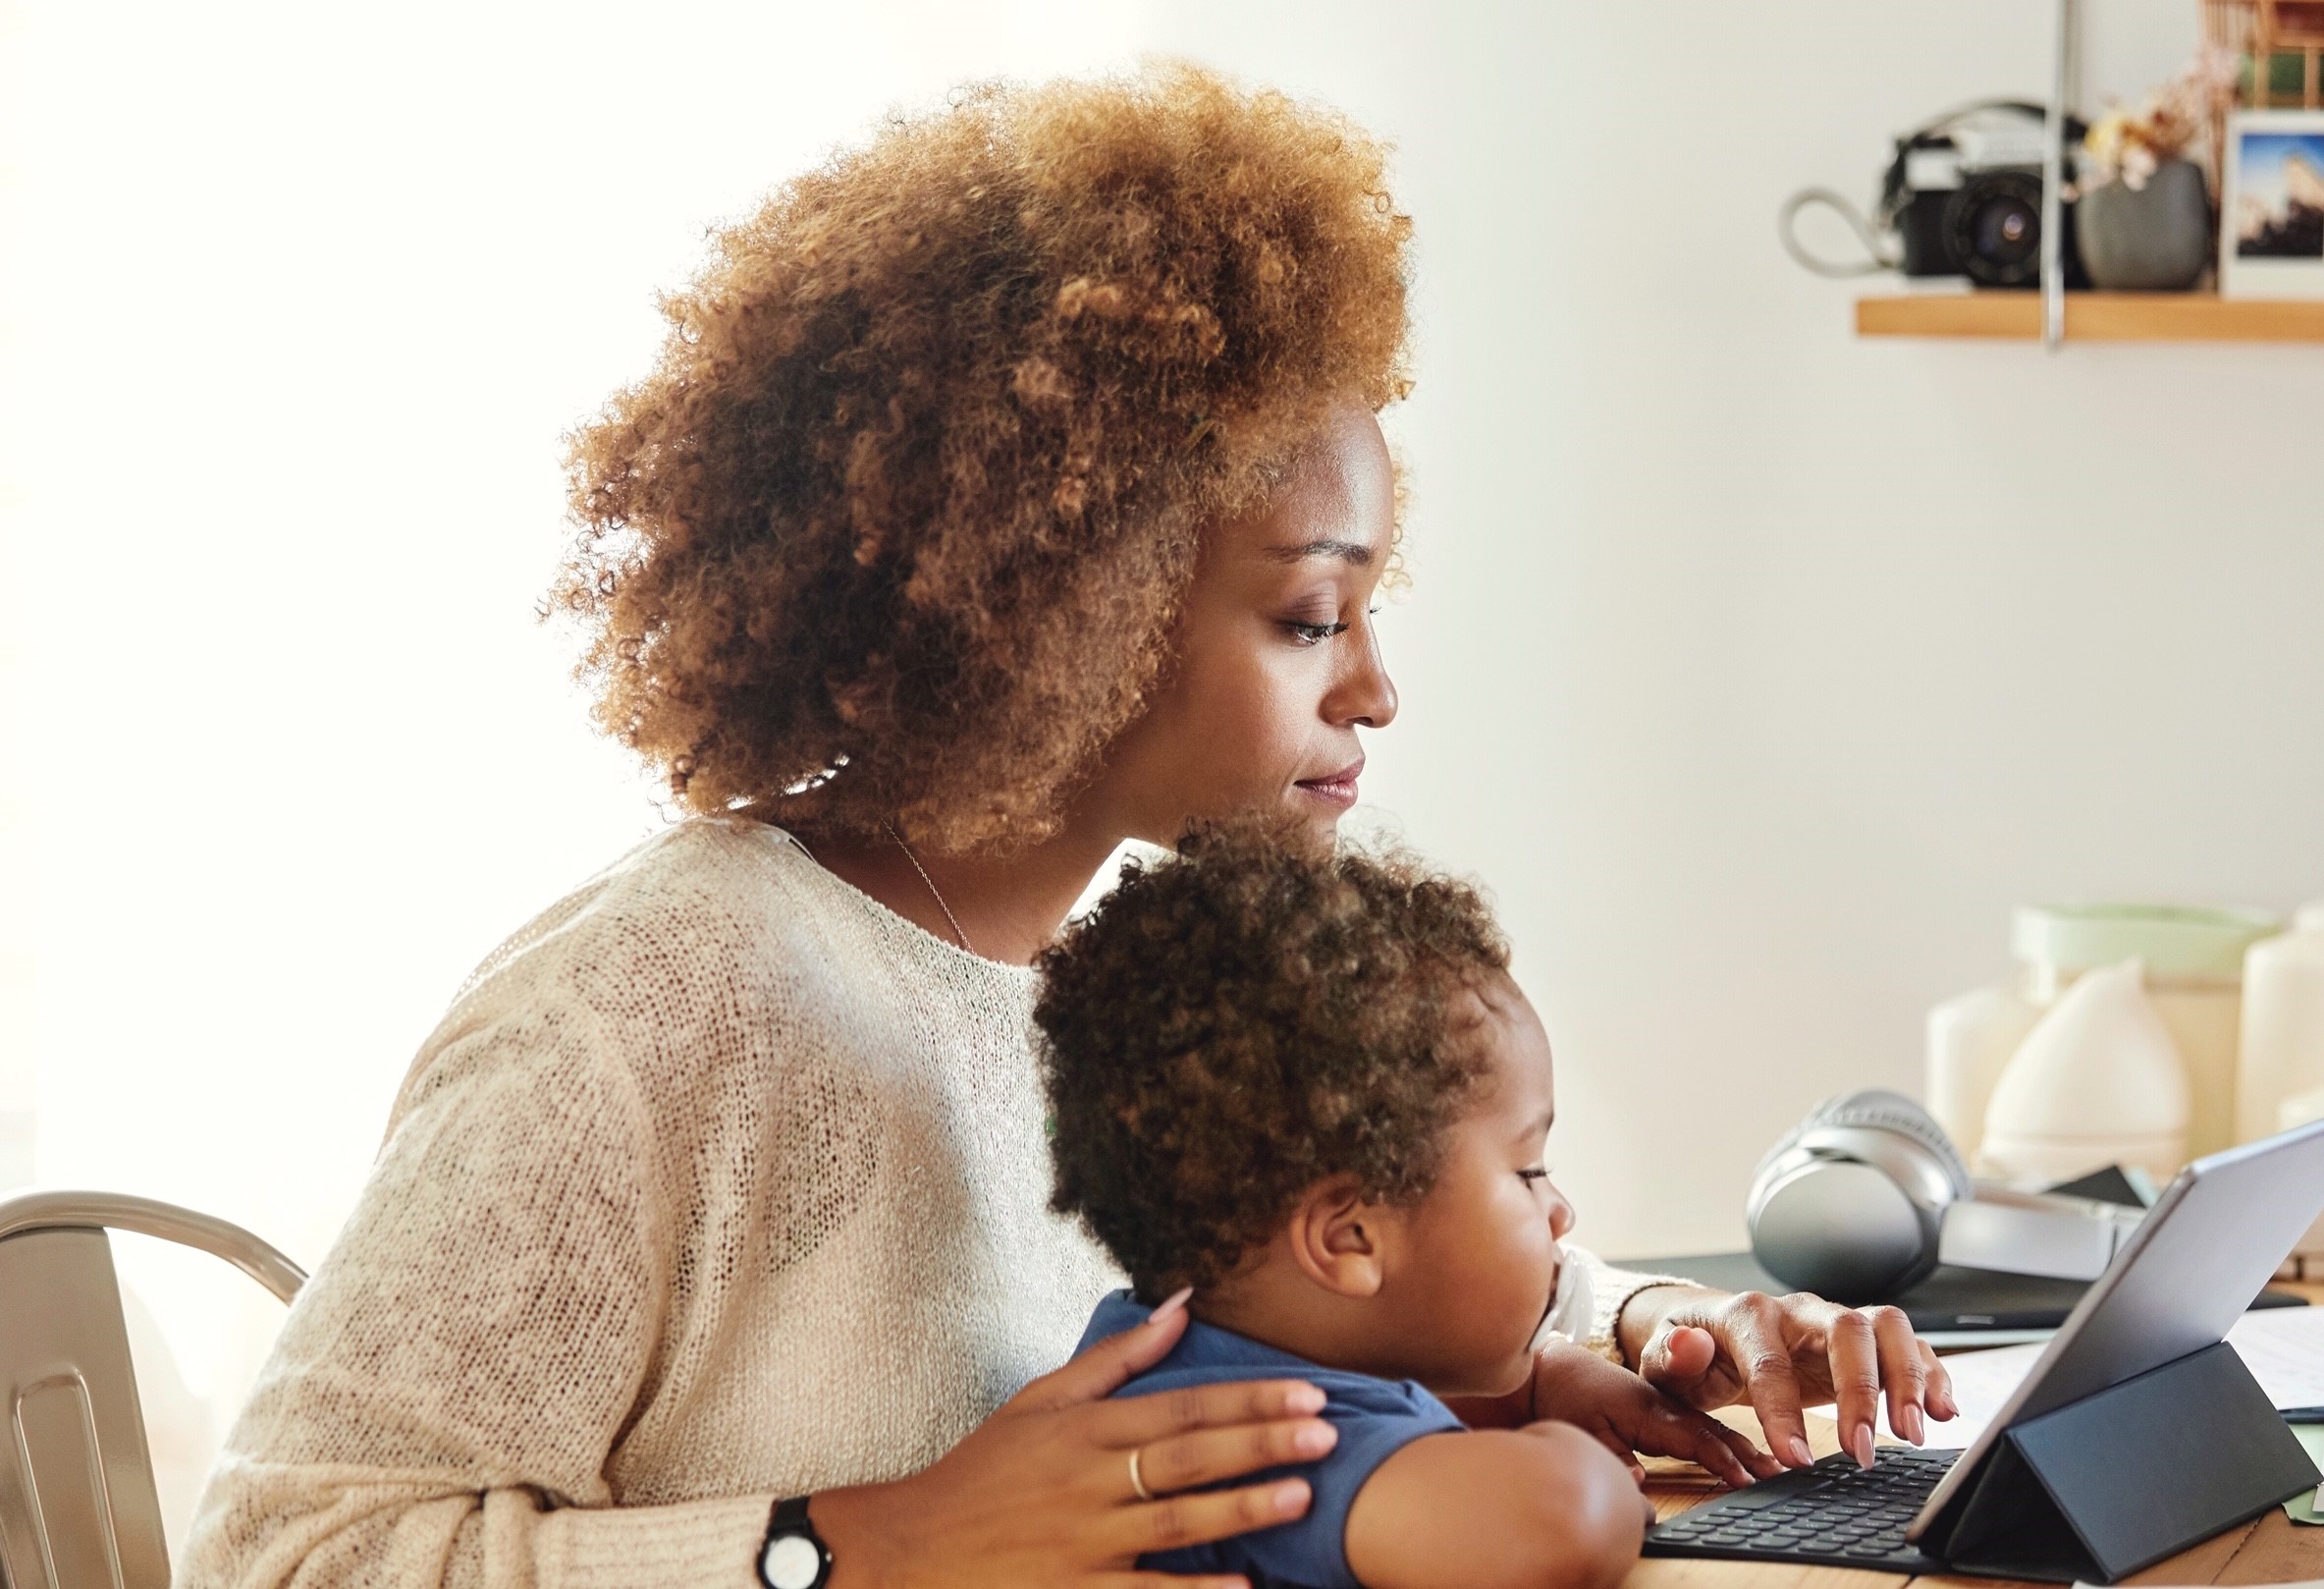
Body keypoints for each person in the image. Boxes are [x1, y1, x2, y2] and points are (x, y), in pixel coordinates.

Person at [186, 64, 1952, 1589]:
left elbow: (1319, 1274)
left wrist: (1626, 1335)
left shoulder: (1114, 981)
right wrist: (852, 1543)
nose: (1373, 692)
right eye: (1305, 617)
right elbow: (282, 1551)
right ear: (1058, 600)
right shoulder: (658, 1001)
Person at [1037, 823, 1781, 1589]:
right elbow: (1557, 1521)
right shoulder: (1253, 1441)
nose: (1561, 1213)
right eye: (1529, 1170)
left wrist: (1540, 1383)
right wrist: (1580, 1469)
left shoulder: (1165, 1358)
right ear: (1349, 1238)